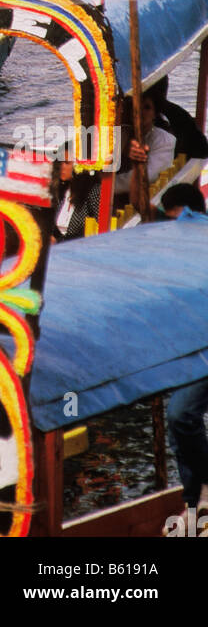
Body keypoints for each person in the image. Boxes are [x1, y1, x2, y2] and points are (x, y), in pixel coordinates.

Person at [159, 190, 208, 521]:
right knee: (180, 423)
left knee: (181, 416)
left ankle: (201, 488)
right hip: (189, 348)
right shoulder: (169, 250)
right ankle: (195, 499)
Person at [115, 89, 178, 206]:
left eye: (147, 108)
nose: (140, 112)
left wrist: (106, 185)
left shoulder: (165, 140)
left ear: (155, 113)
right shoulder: (121, 134)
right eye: (135, 106)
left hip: (146, 201)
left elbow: (150, 176)